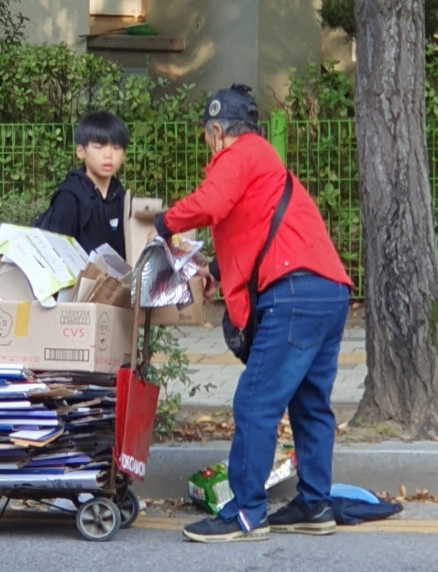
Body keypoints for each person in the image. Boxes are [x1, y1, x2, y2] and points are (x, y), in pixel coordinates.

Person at [149, 84, 352, 543]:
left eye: (207, 136)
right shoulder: (266, 164)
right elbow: (257, 230)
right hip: (329, 291)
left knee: (255, 403)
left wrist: (163, 223)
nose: (208, 145)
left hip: (293, 294)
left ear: (218, 130)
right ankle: (315, 504)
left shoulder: (239, 154)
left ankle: (244, 512)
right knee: (310, 404)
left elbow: (211, 203)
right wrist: (218, 270)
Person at [35, 110, 129, 259]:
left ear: (123, 155)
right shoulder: (69, 196)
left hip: (116, 280)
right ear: (80, 151)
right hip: (76, 280)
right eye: (99, 147)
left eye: (116, 148)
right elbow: (56, 253)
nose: (108, 155)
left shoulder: (119, 194)